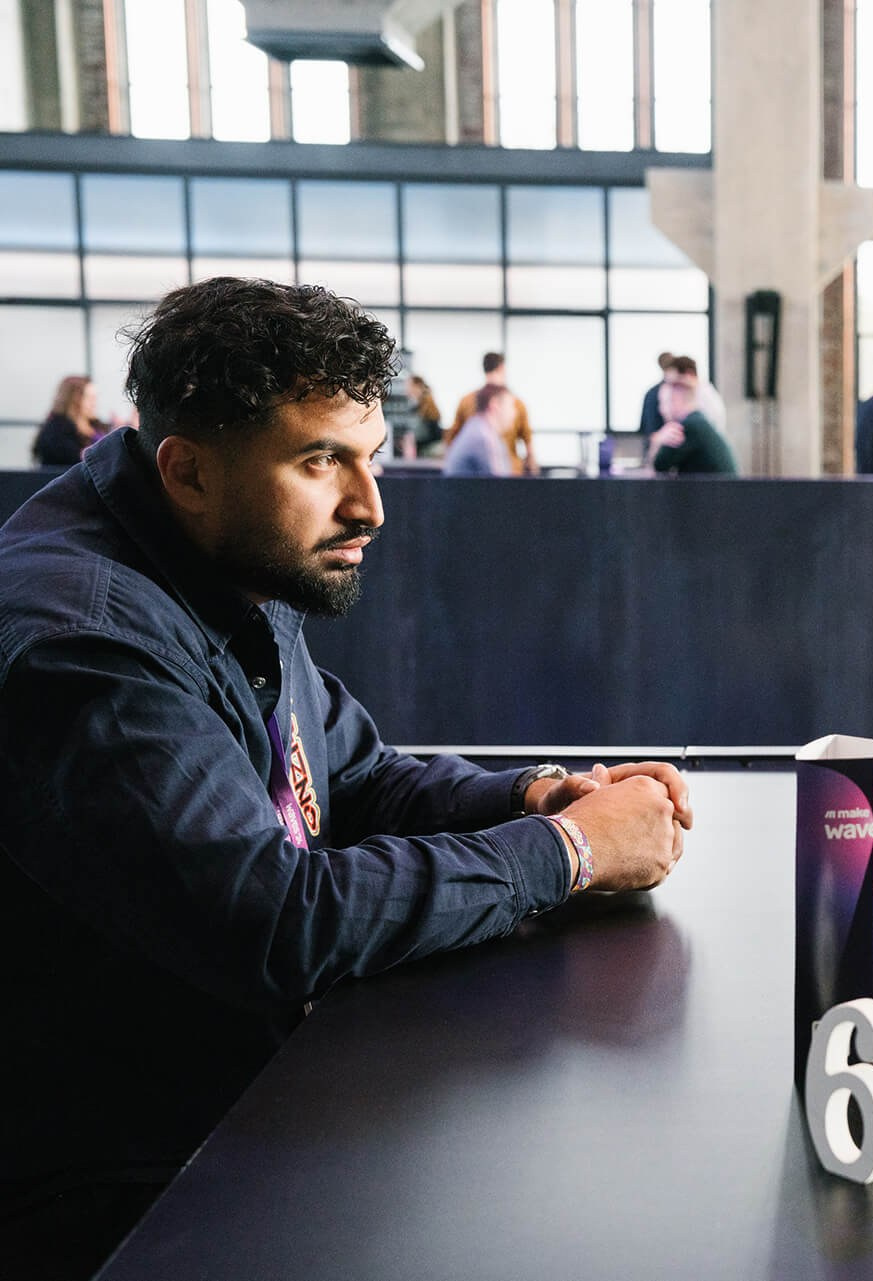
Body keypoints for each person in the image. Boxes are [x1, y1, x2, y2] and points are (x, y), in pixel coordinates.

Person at [0, 278, 693, 1280]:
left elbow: (356, 780)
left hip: (242, 1110)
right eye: (319, 460)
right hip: (122, 1195)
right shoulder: (87, 644)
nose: (369, 504)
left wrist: (538, 796)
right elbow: (274, 922)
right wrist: (572, 853)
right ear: (188, 471)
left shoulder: (225, 555)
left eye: (368, 456)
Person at [448, 352, 536, 475]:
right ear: (502, 368)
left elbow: (452, 436)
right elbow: (528, 440)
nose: (512, 414)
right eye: (510, 409)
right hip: (510, 473)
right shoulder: (485, 438)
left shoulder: (467, 402)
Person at [647, 377, 738, 475]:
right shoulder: (698, 420)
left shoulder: (686, 427)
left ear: (676, 399)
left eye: (663, 402)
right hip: (720, 489)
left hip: (714, 490)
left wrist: (658, 441)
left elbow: (658, 468)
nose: (661, 409)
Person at [442, 382, 516, 476]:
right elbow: (502, 485)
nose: (514, 413)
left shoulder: (475, 427)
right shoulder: (484, 438)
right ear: (495, 405)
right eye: (511, 406)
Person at [32, 375, 99, 468]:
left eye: (94, 398)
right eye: (89, 399)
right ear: (74, 399)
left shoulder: (96, 424)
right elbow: (75, 460)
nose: (94, 404)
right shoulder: (55, 430)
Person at [638, 350, 675, 438]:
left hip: (655, 442)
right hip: (666, 443)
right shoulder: (669, 392)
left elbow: (645, 426)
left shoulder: (651, 393)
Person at [409, 374, 443, 453]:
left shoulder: (426, 404)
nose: (407, 389)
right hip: (426, 448)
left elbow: (432, 433)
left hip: (430, 449)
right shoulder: (417, 405)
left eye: (409, 386)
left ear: (417, 386)